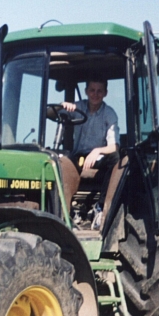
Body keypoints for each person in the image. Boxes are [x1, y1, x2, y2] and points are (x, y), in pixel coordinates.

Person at [58, 78, 119, 228]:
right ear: (86, 91)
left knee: (116, 159)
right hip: (78, 155)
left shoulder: (109, 114)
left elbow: (114, 146)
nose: (95, 94)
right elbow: (56, 112)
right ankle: (63, 213)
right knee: (57, 161)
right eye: (92, 90)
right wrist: (63, 106)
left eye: (99, 91)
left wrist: (97, 150)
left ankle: (101, 207)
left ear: (105, 93)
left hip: (100, 157)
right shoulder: (78, 108)